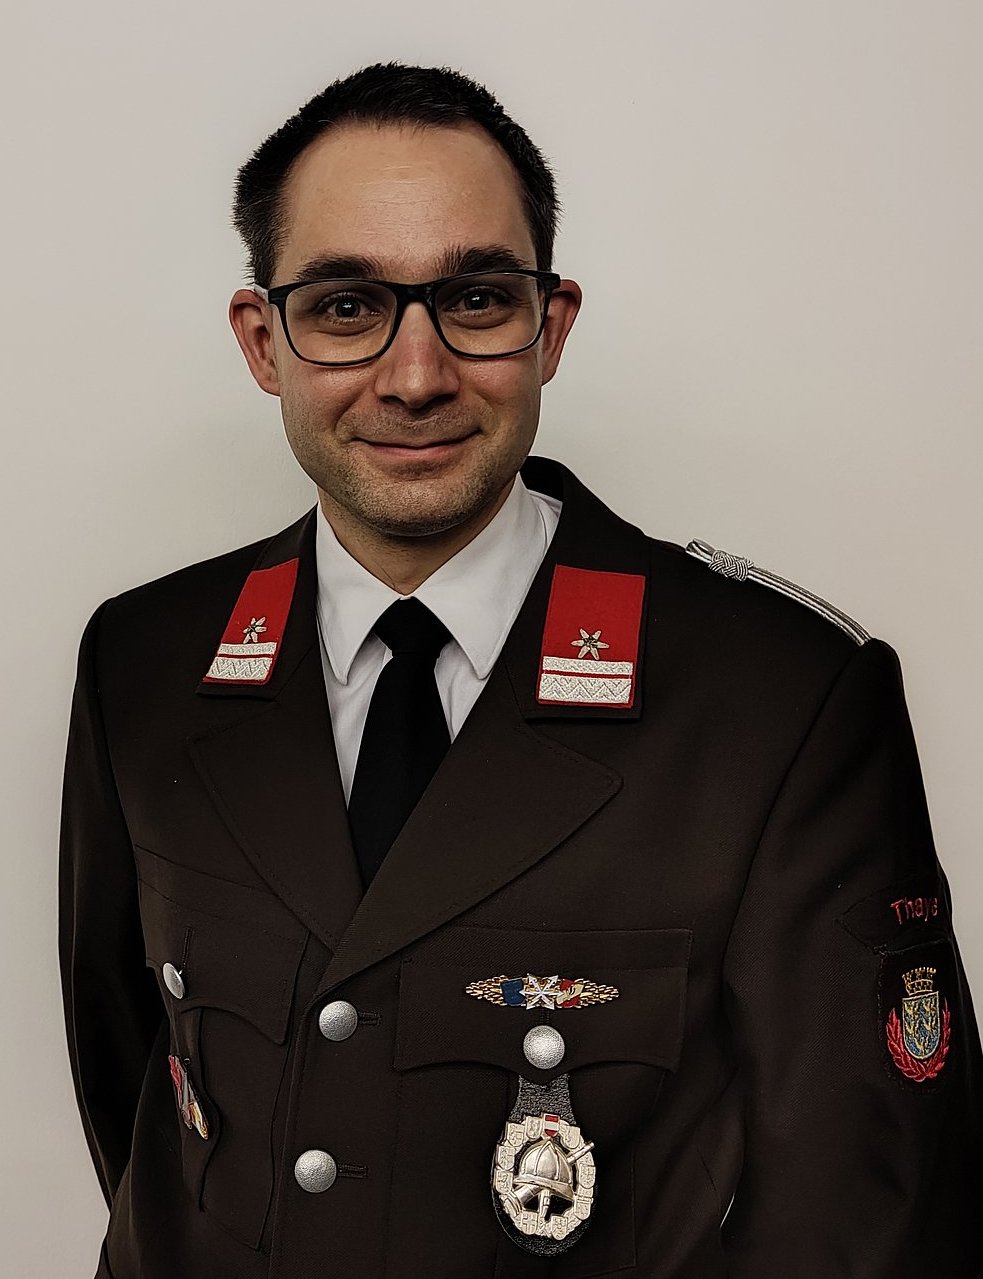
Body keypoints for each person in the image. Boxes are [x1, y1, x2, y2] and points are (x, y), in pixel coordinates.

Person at [59, 61, 983, 1279]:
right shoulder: (144, 660)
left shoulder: (781, 700)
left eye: (477, 298)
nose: (415, 374)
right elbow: (147, 1112)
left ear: (549, 327)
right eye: (346, 306)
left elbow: (868, 1221)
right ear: (262, 340)